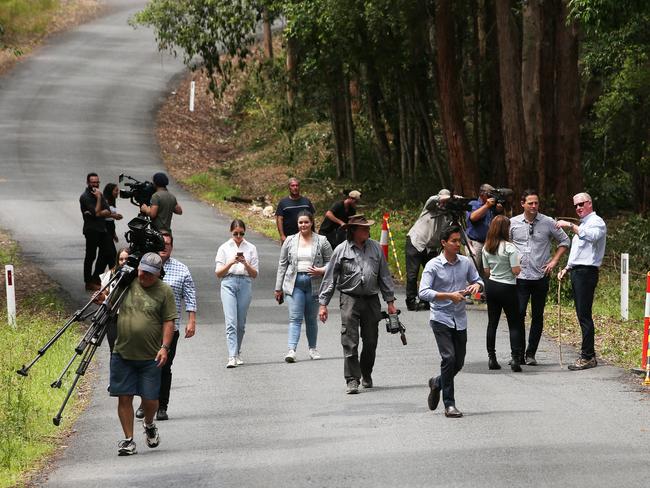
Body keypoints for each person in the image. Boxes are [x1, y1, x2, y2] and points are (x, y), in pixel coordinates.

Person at [318, 214, 396, 394]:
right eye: (364, 228)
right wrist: (323, 304)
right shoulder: (341, 250)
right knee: (350, 341)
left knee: (371, 341)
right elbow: (330, 277)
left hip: (371, 300)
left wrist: (390, 301)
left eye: (368, 227)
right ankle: (352, 379)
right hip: (349, 299)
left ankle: (366, 373)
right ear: (353, 231)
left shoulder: (376, 248)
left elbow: (384, 275)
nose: (368, 230)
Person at [109, 252, 177, 456]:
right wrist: (101, 300)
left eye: (149, 274)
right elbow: (110, 305)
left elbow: (169, 321)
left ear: (158, 274)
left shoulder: (164, 291)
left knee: (150, 399)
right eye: (142, 271)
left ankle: (149, 424)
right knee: (124, 397)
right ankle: (128, 440)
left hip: (150, 356)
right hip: (122, 352)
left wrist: (165, 347)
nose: (144, 276)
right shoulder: (127, 284)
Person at [419, 226, 483, 418]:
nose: (457, 244)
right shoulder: (433, 265)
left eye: (459, 241)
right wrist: (448, 295)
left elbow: (479, 280)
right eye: (453, 241)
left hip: (460, 319)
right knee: (449, 358)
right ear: (444, 243)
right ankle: (449, 404)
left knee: (459, 362)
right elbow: (423, 292)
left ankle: (437, 382)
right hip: (440, 318)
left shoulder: (465, 263)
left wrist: (475, 286)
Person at [135, 231, 196, 421]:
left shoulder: (182, 269)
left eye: (167, 244)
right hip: (146, 327)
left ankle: (162, 405)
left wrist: (191, 320)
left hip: (171, 327)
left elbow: (190, 295)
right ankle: (145, 403)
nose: (164, 247)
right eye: (161, 244)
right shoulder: (144, 268)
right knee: (145, 365)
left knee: (164, 366)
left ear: (172, 247)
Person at [510, 189, 570, 365]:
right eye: (530, 203)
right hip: (520, 277)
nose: (534, 206)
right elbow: (504, 244)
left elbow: (565, 241)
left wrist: (554, 261)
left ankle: (531, 354)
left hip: (540, 276)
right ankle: (518, 353)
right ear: (523, 204)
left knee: (537, 315)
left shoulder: (548, 222)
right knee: (518, 314)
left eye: (536, 203)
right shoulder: (513, 222)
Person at [557, 192, 607, 371]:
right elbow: (578, 253)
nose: (578, 208)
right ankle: (588, 354)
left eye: (581, 204)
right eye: (576, 205)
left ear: (590, 204)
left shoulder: (596, 222)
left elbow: (592, 237)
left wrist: (570, 225)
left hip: (587, 272)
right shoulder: (583, 224)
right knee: (581, 314)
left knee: (584, 315)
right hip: (577, 271)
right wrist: (566, 268)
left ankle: (587, 356)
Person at [275, 211, 333, 362]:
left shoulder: (322, 241)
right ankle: (291, 350)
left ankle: (312, 349)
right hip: (294, 283)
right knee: (295, 318)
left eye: (306, 222)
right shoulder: (290, 240)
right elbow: (282, 264)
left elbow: (333, 263)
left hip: (314, 283)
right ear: (297, 224)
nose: (303, 225)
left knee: (311, 319)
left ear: (312, 223)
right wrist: (278, 287)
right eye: (300, 223)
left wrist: (321, 270)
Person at [482, 215, 524, 372]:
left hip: (492, 285)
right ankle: (515, 358)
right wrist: (519, 266)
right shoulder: (510, 247)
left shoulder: (487, 247)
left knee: (492, 322)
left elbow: (486, 271)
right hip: (508, 287)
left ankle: (492, 357)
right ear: (505, 229)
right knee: (514, 324)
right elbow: (515, 271)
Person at [215, 219, 259, 368]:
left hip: (245, 283)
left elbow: (255, 274)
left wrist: (245, 263)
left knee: (241, 324)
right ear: (231, 232)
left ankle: (237, 351)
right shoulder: (224, 248)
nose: (239, 236)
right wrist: (231, 262)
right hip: (228, 282)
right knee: (231, 322)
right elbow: (218, 273)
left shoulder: (251, 248)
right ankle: (231, 356)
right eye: (235, 233)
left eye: (241, 233)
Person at [405, 188, 453, 311]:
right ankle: (411, 300)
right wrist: (448, 198)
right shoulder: (430, 208)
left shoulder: (448, 216)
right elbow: (432, 199)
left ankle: (425, 299)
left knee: (432, 273)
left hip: (431, 248)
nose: (443, 204)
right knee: (412, 274)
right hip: (416, 242)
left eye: (446, 202)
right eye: (442, 200)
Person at [79, 172, 113, 291]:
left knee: (107, 252)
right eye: (93, 182)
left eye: (97, 182)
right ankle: (88, 282)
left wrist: (98, 212)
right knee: (91, 256)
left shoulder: (100, 194)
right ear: (88, 183)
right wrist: (98, 200)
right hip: (91, 229)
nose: (95, 184)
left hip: (101, 228)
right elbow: (96, 212)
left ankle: (96, 278)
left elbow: (107, 211)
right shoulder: (85, 197)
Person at [98, 247, 130, 352]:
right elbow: (103, 294)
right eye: (121, 259)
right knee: (114, 349)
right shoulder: (110, 274)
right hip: (112, 317)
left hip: (129, 318)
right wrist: (101, 298)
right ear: (117, 260)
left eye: (127, 259)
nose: (124, 262)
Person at [466, 183, 504, 260]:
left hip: (490, 243)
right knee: (474, 270)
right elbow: (473, 217)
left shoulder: (492, 206)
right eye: (490, 194)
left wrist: (499, 209)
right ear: (482, 194)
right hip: (476, 243)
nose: (492, 196)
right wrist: (486, 206)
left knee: (487, 270)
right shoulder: (474, 204)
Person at [275, 178, 315, 243]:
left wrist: (313, 233)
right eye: (292, 185)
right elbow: (279, 219)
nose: (295, 187)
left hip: (305, 237)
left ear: (299, 187)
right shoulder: (283, 202)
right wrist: (282, 236)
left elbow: (312, 218)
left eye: (297, 185)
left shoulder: (306, 202)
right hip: (289, 238)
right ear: (289, 187)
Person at [103, 183, 124, 270]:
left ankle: (100, 276)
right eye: (116, 190)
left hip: (110, 229)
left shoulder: (112, 201)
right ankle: (115, 273)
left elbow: (111, 222)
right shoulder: (105, 201)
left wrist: (114, 234)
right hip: (105, 229)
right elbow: (101, 215)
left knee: (105, 256)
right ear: (110, 191)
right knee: (112, 254)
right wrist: (113, 216)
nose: (117, 192)